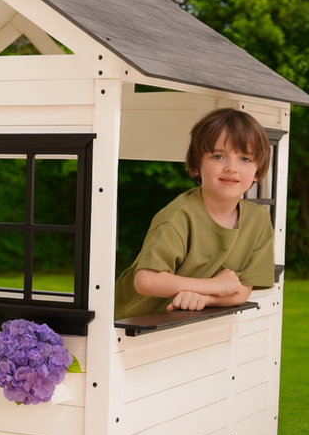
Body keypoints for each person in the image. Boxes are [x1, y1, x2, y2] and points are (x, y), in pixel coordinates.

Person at [113, 107, 275, 319]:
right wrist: (214, 285)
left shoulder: (258, 220)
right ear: (197, 165)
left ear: (257, 171)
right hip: (131, 321)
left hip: (182, 320)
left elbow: (242, 291)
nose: (231, 168)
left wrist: (206, 299)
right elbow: (146, 281)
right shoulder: (179, 215)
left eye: (245, 159)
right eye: (218, 156)